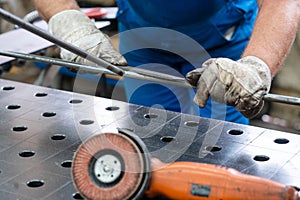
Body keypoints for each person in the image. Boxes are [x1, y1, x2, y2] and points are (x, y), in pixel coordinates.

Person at [33, 0, 300, 124]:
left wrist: (256, 66)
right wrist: (67, 20)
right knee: (154, 135)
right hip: (145, 39)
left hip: (223, 45)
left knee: (220, 143)